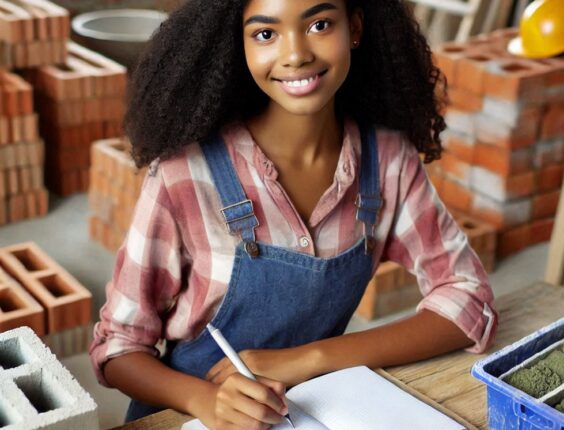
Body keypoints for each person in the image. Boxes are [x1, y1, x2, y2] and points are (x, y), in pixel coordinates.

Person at [89, 0, 498, 428]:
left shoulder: (389, 162)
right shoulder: (184, 176)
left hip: (309, 410)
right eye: (265, 34)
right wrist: (205, 402)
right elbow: (118, 348)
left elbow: (468, 298)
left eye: (320, 24)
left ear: (354, 28)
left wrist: (311, 358)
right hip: (183, 416)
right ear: (239, 46)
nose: (296, 54)